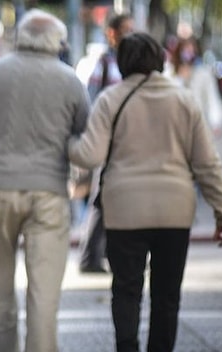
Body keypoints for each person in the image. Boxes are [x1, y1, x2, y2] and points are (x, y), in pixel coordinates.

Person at [68, 32, 222, 352]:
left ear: (123, 61)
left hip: (124, 211)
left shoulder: (111, 99)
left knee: (126, 290)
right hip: (174, 211)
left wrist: (68, 144)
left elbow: (90, 156)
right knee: (166, 296)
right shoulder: (183, 99)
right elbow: (207, 163)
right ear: (159, 59)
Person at [0, 9, 90, 352]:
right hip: (49, 193)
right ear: (57, 41)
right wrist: (78, 179)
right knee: (44, 293)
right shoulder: (70, 81)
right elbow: (86, 140)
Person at [77, 12, 134, 274]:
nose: (129, 34)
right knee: (101, 198)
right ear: (111, 33)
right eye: (125, 29)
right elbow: (92, 103)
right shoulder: (104, 62)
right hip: (108, 141)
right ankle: (90, 257)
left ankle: (108, 255)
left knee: (117, 198)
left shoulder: (131, 60)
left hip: (127, 141)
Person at [169, 36, 222, 137]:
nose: (188, 54)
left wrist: (215, 122)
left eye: (191, 50)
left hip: (197, 126)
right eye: (185, 49)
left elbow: (212, 98)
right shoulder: (171, 73)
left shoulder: (203, 73)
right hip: (175, 126)